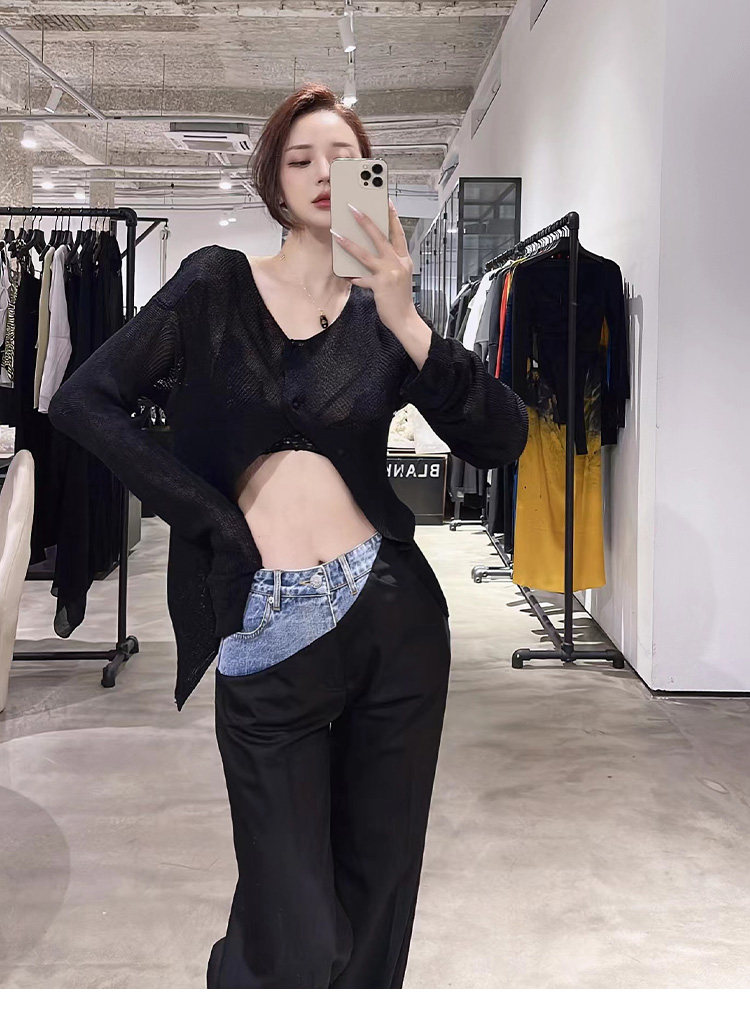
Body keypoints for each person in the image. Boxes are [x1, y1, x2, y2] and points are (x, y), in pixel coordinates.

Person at [47, 83, 528, 989]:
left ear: (368, 177)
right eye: (300, 158)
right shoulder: (215, 285)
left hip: (392, 614)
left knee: (379, 894)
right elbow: (84, 401)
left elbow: (503, 439)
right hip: (268, 620)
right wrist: (211, 519)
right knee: (294, 927)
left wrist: (407, 318)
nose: (322, 173)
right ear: (273, 181)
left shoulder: (383, 319)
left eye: (342, 158)